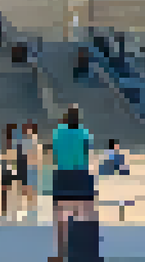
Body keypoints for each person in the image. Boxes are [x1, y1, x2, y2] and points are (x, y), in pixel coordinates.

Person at [50, 105, 97, 262]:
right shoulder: (84, 133)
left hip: (62, 175)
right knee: (80, 212)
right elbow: (87, 152)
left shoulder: (57, 132)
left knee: (60, 214)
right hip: (80, 174)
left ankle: (60, 251)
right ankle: (77, 248)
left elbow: (55, 153)